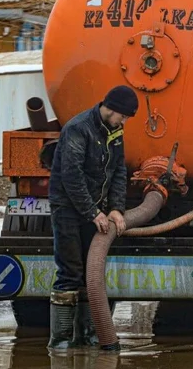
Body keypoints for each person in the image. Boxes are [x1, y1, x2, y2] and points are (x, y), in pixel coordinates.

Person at [46, 85, 139, 350]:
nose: (125, 122)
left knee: (92, 271)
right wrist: (92, 212)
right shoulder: (78, 129)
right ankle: (61, 343)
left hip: (95, 208)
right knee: (70, 271)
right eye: (124, 116)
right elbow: (71, 177)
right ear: (111, 109)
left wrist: (115, 209)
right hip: (67, 208)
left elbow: (119, 170)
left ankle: (90, 336)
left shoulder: (115, 131)